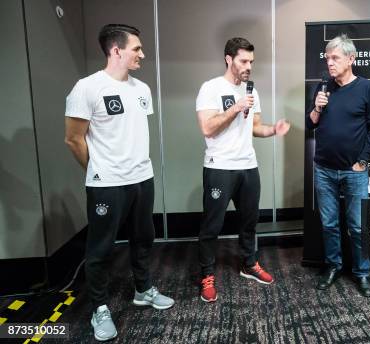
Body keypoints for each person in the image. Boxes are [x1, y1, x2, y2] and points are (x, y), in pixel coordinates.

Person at [64, 24, 174, 341]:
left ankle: (143, 289)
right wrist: (99, 170)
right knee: (101, 249)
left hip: (142, 178)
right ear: (116, 50)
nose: (142, 53)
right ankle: (99, 309)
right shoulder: (87, 88)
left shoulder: (142, 90)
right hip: (107, 184)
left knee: (144, 239)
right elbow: (73, 139)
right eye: (136, 48)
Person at [195, 37, 290, 303]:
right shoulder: (210, 88)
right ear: (229, 59)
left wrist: (272, 130)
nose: (249, 66)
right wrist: (236, 107)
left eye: (251, 61)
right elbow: (207, 128)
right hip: (219, 167)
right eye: (243, 61)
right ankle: (206, 274)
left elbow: (255, 126)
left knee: (249, 221)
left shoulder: (251, 91)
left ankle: (249, 263)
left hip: (248, 166)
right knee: (211, 226)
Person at [306, 34, 370, 297]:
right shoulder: (323, 87)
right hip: (324, 169)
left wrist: (362, 162)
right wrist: (316, 108)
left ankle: (362, 272)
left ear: (351, 59)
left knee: (358, 226)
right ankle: (333, 266)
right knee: (329, 223)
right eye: (327, 58)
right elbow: (311, 124)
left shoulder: (366, 89)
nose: (330, 62)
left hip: (354, 171)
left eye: (335, 58)